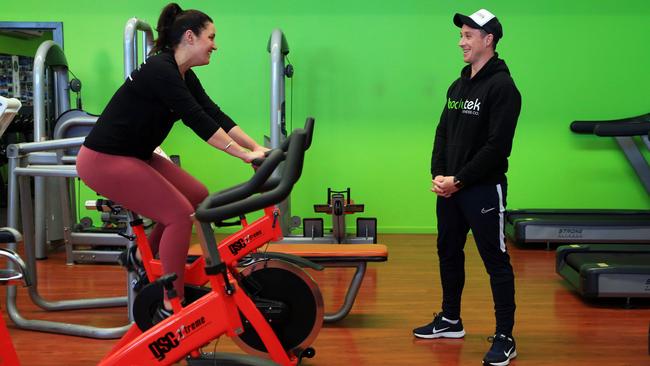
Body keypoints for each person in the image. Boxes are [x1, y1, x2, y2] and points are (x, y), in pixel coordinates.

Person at [76, 3, 267, 319]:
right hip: (104, 159)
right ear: (190, 37)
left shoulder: (183, 74)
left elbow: (212, 112)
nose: (215, 45)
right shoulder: (160, 70)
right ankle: (170, 304)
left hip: (136, 154)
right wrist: (244, 155)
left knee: (197, 195)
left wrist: (257, 147)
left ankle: (141, 255)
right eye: (211, 37)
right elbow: (197, 121)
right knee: (180, 215)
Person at [412, 8, 521, 366]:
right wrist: (439, 175)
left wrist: (459, 180)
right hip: (450, 189)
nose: (461, 42)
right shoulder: (457, 86)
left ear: (488, 40)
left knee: (496, 262)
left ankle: (505, 336)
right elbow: (442, 133)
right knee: (448, 252)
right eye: (461, 35)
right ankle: (450, 319)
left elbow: (496, 147)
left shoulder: (503, 88)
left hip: (482, 189)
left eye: (468, 36)